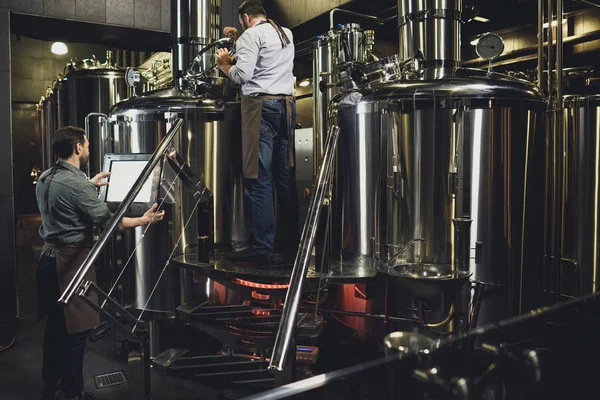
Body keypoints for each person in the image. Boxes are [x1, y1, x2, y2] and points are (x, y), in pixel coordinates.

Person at [36, 126, 165, 400]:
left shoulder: (47, 178)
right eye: (87, 144)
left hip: (46, 259)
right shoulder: (75, 184)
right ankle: (72, 393)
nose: (88, 149)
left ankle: (51, 382)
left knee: (55, 326)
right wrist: (143, 220)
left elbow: (66, 200)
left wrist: (89, 185)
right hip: (70, 262)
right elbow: (109, 222)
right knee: (76, 331)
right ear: (78, 148)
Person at [216, 0, 299, 260]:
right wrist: (240, 39)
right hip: (286, 108)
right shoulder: (285, 32)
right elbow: (266, 57)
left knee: (258, 179)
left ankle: (262, 248)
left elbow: (243, 75)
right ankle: (289, 244)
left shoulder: (251, 35)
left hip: (260, 109)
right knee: (284, 180)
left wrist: (225, 64)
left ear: (246, 17)